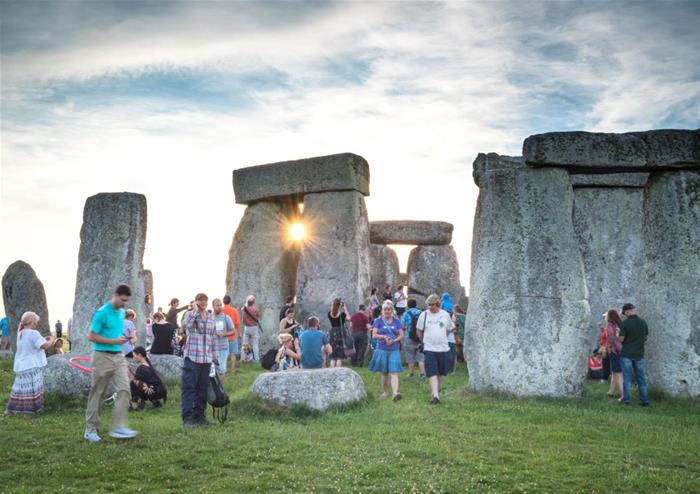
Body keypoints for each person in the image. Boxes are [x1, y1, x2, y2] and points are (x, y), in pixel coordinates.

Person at [84, 284, 139, 442]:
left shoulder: (121, 312)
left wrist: (120, 341)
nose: (124, 304)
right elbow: (92, 336)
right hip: (101, 356)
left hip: (118, 356)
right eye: (122, 300)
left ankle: (119, 427)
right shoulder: (102, 313)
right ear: (115, 295)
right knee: (98, 393)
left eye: (126, 301)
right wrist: (113, 340)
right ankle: (91, 430)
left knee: (125, 389)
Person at [4, 312, 54, 416]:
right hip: (32, 365)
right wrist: (52, 340)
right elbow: (44, 346)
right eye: (36, 321)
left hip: (21, 366)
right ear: (32, 321)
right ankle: (28, 413)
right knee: (31, 390)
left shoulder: (21, 333)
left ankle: (9, 411)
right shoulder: (33, 333)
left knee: (18, 389)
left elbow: (32, 344)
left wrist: (43, 339)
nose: (36, 323)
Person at [181, 293, 219, 427]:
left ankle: (200, 416)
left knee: (202, 389)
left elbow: (214, 338)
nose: (203, 303)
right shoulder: (190, 315)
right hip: (192, 357)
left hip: (206, 359)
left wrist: (215, 357)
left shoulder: (210, 317)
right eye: (200, 300)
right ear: (195, 302)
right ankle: (187, 418)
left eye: (205, 300)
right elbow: (188, 327)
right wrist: (195, 312)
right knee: (189, 388)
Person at [417, 293, 455, 405]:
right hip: (429, 348)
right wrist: (424, 340)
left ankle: (436, 391)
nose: (430, 307)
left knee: (440, 373)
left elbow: (449, 329)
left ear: (438, 304)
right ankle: (435, 395)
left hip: (443, 348)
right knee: (432, 372)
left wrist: (441, 336)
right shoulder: (423, 315)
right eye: (429, 305)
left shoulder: (445, 315)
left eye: (432, 305)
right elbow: (419, 330)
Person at [368, 301, 404, 401]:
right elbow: (374, 335)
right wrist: (384, 337)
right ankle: (385, 392)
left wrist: (394, 340)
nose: (387, 311)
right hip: (382, 349)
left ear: (392, 310)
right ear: (382, 311)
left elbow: (401, 334)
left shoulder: (397, 321)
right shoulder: (378, 321)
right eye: (385, 309)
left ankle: (395, 394)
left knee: (394, 371)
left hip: (394, 349)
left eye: (389, 309)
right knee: (384, 373)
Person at [618, 303, 650, 406]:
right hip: (639, 354)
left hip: (627, 353)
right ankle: (644, 401)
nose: (625, 315)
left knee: (627, 378)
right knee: (641, 378)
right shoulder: (643, 322)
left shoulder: (625, 323)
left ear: (627, 311)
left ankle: (626, 400)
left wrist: (617, 336)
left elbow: (621, 339)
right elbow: (646, 338)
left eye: (624, 313)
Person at [128, 346, 167, 411]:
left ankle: (134, 405)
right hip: (160, 391)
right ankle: (156, 402)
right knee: (144, 384)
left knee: (133, 383)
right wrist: (131, 372)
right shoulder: (147, 365)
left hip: (155, 391)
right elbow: (140, 380)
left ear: (140, 355)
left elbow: (135, 382)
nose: (133, 358)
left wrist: (128, 373)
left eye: (134, 355)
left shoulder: (141, 368)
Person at [401, 299, 425, 379]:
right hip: (420, 337)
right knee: (421, 356)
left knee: (410, 356)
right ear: (416, 305)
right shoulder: (421, 313)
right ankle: (422, 374)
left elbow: (402, 326)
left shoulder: (406, 314)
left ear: (408, 305)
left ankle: (411, 374)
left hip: (409, 337)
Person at [212, 298, 235, 383]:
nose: (219, 307)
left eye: (220, 305)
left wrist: (224, 334)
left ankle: (220, 391)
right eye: (217, 305)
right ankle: (213, 390)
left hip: (223, 347)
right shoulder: (209, 317)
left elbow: (233, 331)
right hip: (211, 348)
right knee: (212, 370)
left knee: (221, 369)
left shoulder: (226, 317)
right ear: (213, 306)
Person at [604, 309, 623, 397]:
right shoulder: (620, 324)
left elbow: (611, 336)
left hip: (614, 349)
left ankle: (624, 395)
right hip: (622, 349)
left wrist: (610, 346)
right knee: (615, 371)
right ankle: (611, 391)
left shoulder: (609, 325)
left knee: (618, 372)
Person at [221, 295, 241, 374]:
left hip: (223, 336)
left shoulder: (220, 310)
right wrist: (239, 333)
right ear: (230, 301)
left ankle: (223, 370)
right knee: (233, 354)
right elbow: (237, 324)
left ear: (223, 302)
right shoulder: (234, 310)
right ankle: (233, 370)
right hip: (232, 335)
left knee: (223, 354)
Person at [327, 298, 349, 367]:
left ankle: (332, 371)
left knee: (333, 355)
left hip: (332, 333)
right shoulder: (342, 314)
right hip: (340, 333)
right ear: (339, 305)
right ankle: (338, 371)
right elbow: (349, 318)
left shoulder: (329, 314)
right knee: (339, 356)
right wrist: (345, 308)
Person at [241, 295, 261, 362]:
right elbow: (258, 317)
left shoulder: (244, 309)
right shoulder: (256, 310)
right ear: (254, 302)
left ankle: (243, 359)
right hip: (254, 327)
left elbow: (242, 313)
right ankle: (256, 359)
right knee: (255, 345)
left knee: (244, 344)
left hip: (246, 327)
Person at [440, 293, 457, 373]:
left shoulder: (443, 303)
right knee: (451, 355)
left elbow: (441, 309)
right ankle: (451, 370)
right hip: (450, 339)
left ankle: (447, 369)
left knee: (446, 355)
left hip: (447, 339)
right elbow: (453, 311)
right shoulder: (450, 303)